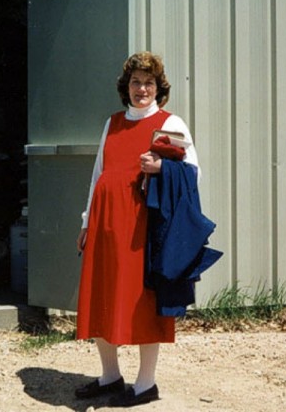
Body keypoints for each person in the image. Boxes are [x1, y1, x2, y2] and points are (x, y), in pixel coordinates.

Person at [74, 51, 200, 407]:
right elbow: (99, 173)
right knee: (101, 296)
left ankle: (146, 384)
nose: (141, 88)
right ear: (125, 87)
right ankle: (110, 376)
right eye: (135, 82)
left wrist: (161, 167)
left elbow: (194, 175)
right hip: (105, 224)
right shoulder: (112, 123)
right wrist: (86, 221)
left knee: (142, 303)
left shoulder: (170, 123)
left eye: (149, 82)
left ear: (159, 88)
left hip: (142, 229)